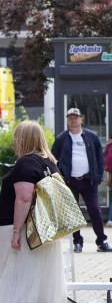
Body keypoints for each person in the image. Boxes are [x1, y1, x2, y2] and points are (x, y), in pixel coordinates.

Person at [0, 121, 68, 303]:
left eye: (16, 137)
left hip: (25, 230)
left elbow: (23, 198)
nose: (13, 142)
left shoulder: (25, 163)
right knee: (41, 280)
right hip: (44, 232)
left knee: (16, 277)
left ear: (23, 139)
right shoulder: (49, 163)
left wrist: (16, 231)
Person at [51, 107, 112, 253]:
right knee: (73, 212)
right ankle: (77, 242)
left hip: (89, 180)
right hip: (70, 181)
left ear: (81, 119)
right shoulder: (61, 138)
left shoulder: (91, 136)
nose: (73, 120)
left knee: (94, 210)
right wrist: (59, 176)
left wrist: (97, 175)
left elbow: (99, 156)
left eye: (75, 117)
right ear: (67, 120)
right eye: (70, 118)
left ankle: (101, 241)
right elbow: (53, 157)